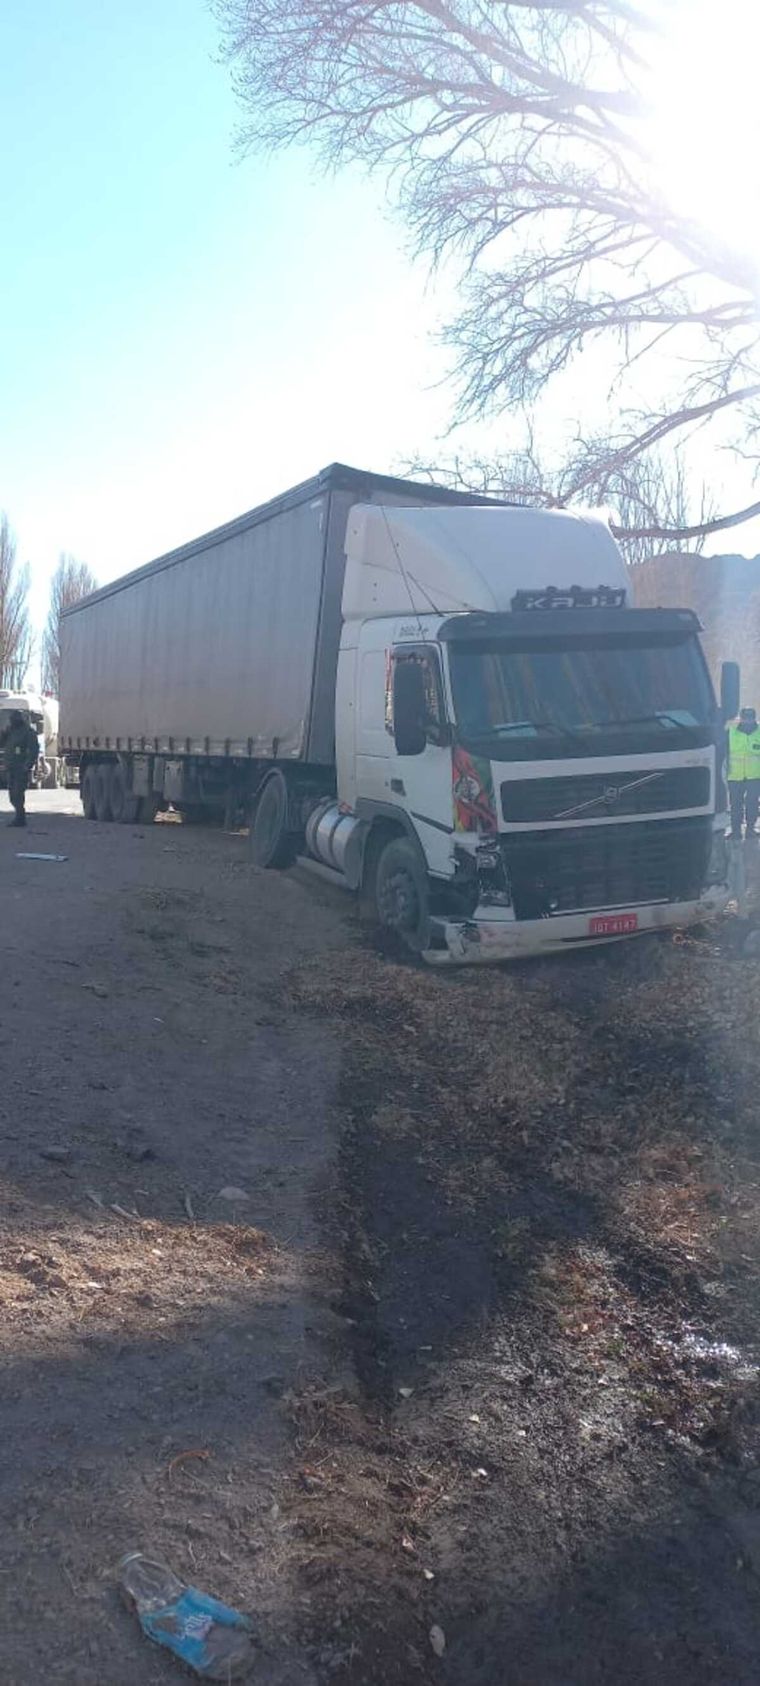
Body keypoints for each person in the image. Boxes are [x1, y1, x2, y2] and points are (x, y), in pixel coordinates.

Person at [0, 709, 39, 828]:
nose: (12, 722)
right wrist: (3, 733)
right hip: (11, 767)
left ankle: (20, 818)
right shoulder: (11, 731)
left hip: (21, 767)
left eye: (14, 719)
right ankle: (19, 815)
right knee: (12, 794)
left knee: (18, 793)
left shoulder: (28, 732)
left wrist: (28, 765)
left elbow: (33, 750)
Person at [727, 706, 760, 840]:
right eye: (745, 718)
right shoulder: (730, 731)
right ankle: (736, 831)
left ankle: (751, 829)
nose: (748, 721)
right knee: (735, 804)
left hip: (755, 776)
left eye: (750, 718)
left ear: (754, 718)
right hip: (734, 776)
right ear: (741, 718)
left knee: (752, 803)